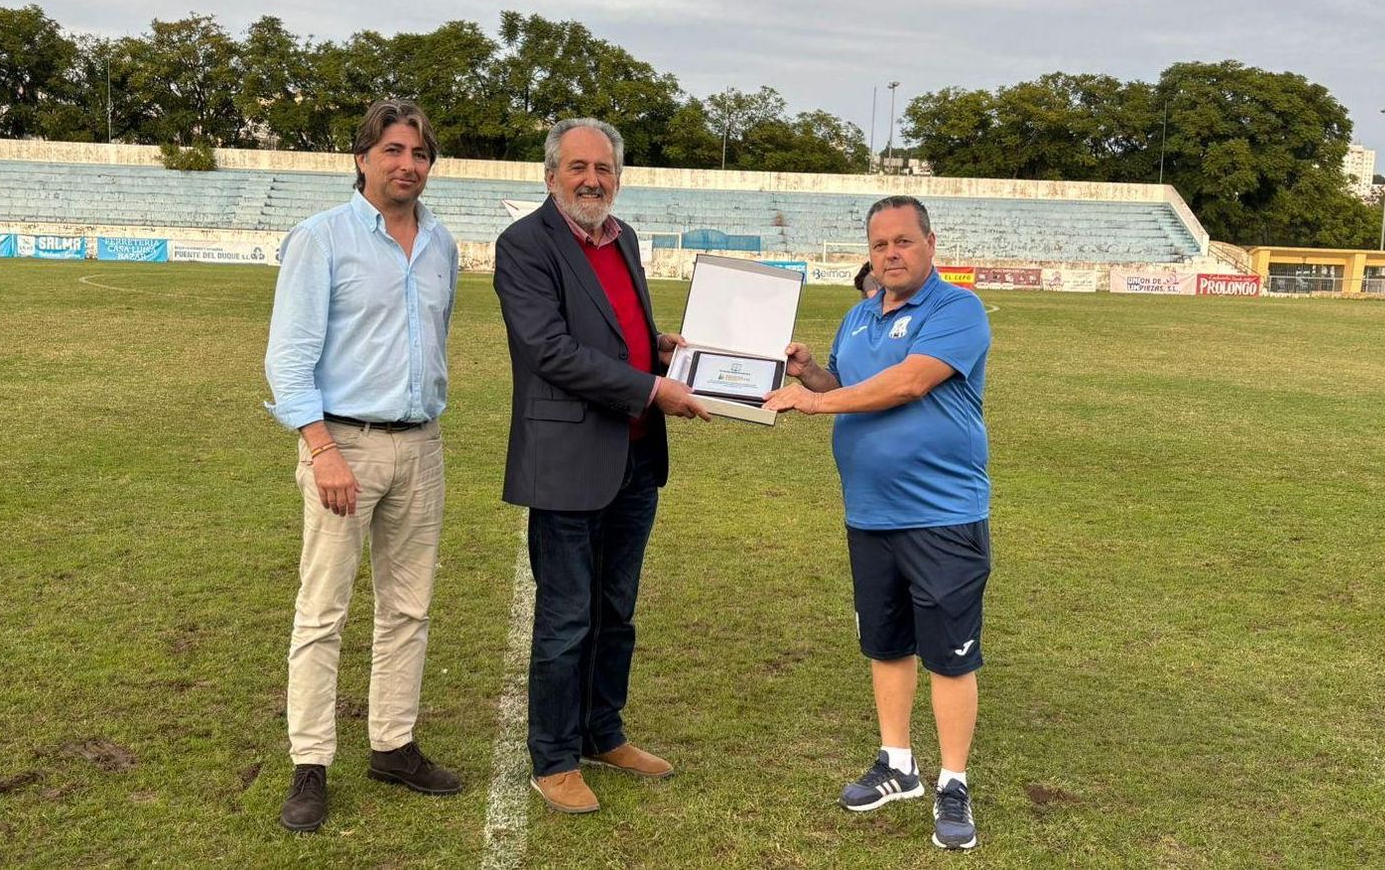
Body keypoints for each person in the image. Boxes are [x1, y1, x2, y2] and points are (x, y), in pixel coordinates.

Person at [492, 117, 710, 814]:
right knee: (565, 618)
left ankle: (601, 731)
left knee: (616, 612)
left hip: (637, 456)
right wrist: (651, 386)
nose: (593, 180)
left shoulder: (626, 240)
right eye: (579, 167)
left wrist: (659, 348)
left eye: (605, 169)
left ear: (618, 176)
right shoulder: (524, 245)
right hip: (568, 463)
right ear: (551, 173)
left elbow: (617, 334)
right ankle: (553, 757)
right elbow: (550, 350)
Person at [763, 195, 991, 851]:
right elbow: (852, 383)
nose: (890, 254)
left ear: (929, 244)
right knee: (885, 643)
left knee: (949, 654)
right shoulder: (859, 315)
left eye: (903, 242)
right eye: (880, 244)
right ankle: (898, 764)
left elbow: (907, 384)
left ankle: (953, 781)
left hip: (942, 515)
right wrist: (812, 372)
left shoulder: (957, 310)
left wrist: (814, 401)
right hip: (870, 512)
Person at [264, 99, 462, 833]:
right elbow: (288, 357)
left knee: (407, 608)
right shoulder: (322, 238)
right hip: (341, 445)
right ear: (363, 157)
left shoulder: (440, 242)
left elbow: (431, 341)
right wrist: (322, 448)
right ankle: (310, 764)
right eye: (392, 150)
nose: (407, 164)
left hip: (421, 444)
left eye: (418, 152)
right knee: (323, 612)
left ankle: (394, 744)